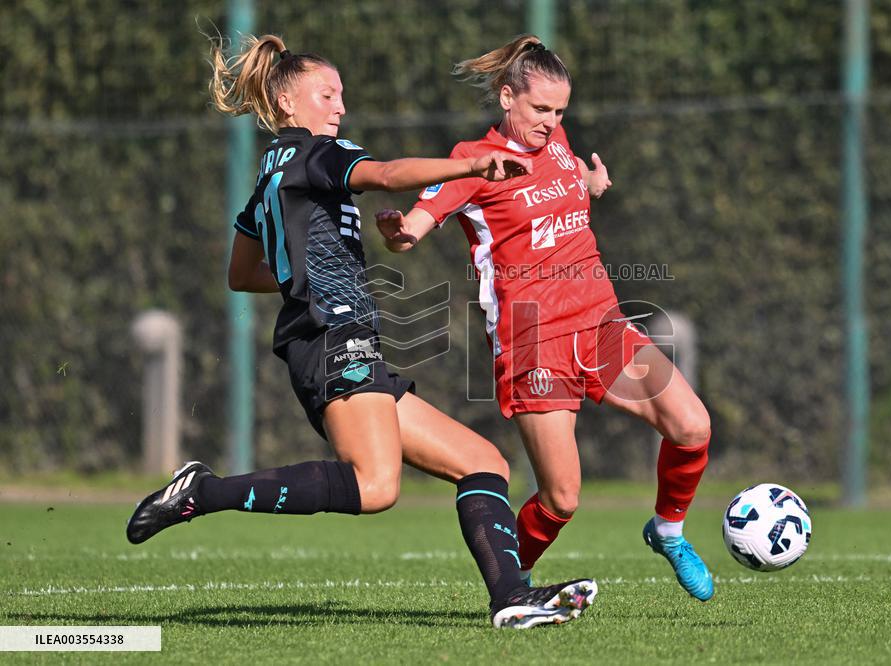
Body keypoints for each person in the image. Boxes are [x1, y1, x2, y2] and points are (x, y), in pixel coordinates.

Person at [125, 33, 598, 629]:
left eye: (342, 95)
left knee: (484, 463)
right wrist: (473, 164)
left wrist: (309, 276)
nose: (340, 107)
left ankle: (511, 598)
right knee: (376, 487)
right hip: (330, 337)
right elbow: (389, 172)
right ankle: (204, 491)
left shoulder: (270, 177)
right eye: (327, 94)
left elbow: (242, 274)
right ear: (288, 104)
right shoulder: (315, 154)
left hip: (334, 335)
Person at [375, 35, 714, 601]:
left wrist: (591, 183)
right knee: (562, 498)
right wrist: (399, 232)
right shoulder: (472, 161)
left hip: (599, 321)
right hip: (533, 337)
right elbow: (418, 221)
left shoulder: (555, 139)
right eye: (540, 109)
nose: (551, 121)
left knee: (693, 426)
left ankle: (669, 531)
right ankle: (510, 587)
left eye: (560, 111)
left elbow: (564, 173)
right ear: (507, 97)